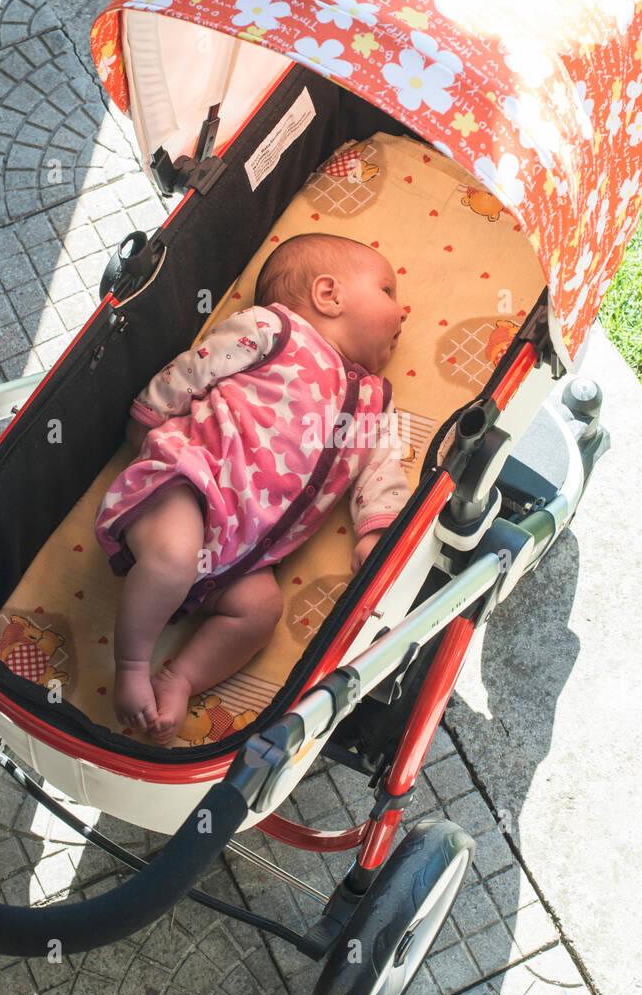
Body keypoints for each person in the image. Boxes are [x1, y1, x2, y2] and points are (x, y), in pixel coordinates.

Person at [94, 232, 409, 744]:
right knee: (173, 556)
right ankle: (131, 666)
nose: (404, 313)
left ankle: (180, 678)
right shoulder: (276, 329)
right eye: (388, 291)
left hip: (247, 555)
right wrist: (150, 415)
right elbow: (199, 364)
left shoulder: (376, 400)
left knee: (261, 611)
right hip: (192, 480)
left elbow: (385, 464)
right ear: (329, 296)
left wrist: (375, 528)